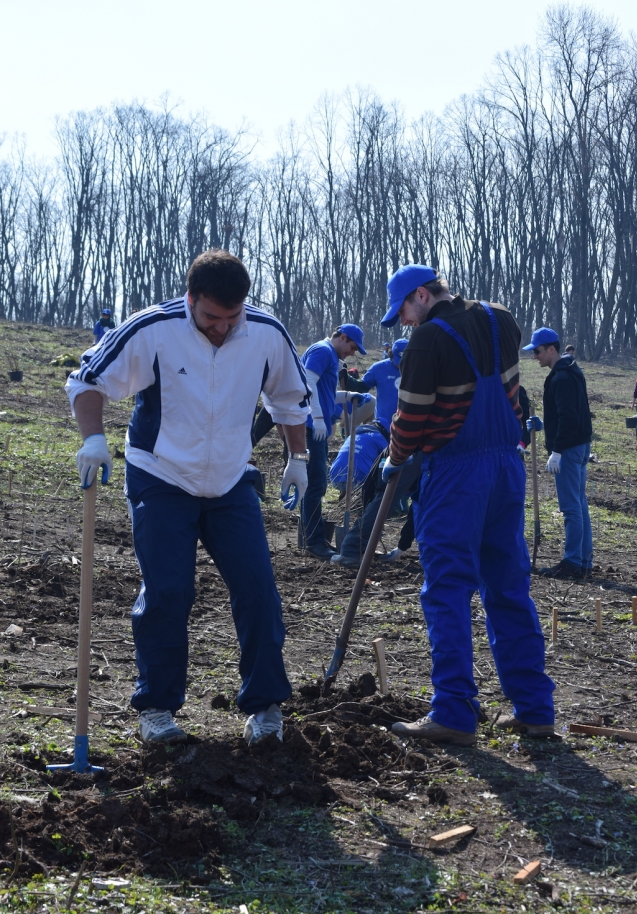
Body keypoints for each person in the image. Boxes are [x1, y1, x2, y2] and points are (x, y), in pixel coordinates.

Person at [66, 250, 310, 746]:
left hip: (230, 479)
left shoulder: (265, 333)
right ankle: (157, 708)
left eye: (231, 317)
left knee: (258, 589)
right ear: (190, 298)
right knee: (168, 591)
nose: (221, 327)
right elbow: (88, 380)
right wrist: (94, 438)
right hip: (161, 474)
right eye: (211, 317)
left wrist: (298, 458)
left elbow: (289, 398)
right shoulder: (152, 328)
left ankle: (264, 708)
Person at [376, 264, 555, 745]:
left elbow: (411, 418)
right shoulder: (501, 317)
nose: (406, 323)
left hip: (456, 474)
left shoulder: (428, 341)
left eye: (405, 312)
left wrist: (394, 457)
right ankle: (535, 709)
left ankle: (454, 712)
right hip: (506, 465)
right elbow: (513, 394)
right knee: (507, 585)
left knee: (447, 589)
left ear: (422, 295)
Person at [524, 327, 593, 579]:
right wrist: (544, 424)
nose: (536, 357)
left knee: (571, 508)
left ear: (551, 349)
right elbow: (567, 412)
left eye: (538, 351)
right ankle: (584, 561)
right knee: (580, 505)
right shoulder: (571, 371)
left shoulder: (561, 377)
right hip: (579, 445)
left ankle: (573, 562)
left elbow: (569, 416)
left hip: (570, 448)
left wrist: (557, 450)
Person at [299, 324, 367, 559]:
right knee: (315, 484)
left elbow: (323, 392)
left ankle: (310, 538)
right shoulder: (323, 351)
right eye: (352, 346)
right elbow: (307, 384)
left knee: (314, 483)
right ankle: (315, 543)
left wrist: (346, 396)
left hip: (315, 427)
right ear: (343, 337)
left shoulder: (328, 354)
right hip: (310, 428)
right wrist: (317, 417)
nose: (351, 352)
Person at [347, 338, 409, 431]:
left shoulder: (420, 369)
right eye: (398, 362)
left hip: (410, 426)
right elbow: (361, 387)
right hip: (384, 426)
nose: (401, 366)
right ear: (391, 354)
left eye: (405, 362)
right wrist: (345, 377)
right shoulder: (379, 368)